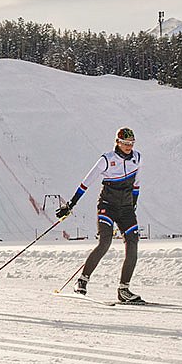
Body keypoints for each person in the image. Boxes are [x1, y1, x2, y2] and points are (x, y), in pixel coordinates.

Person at [56, 127, 143, 303]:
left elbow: (137, 184)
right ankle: (83, 280)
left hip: (126, 208)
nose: (128, 147)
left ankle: (124, 289)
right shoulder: (107, 159)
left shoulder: (137, 158)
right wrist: (71, 204)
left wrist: (133, 205)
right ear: (117, 142)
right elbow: (86, 182)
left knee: (133, 242)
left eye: (131, 143)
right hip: (107, 206)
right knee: (105, 242)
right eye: (125, 143)